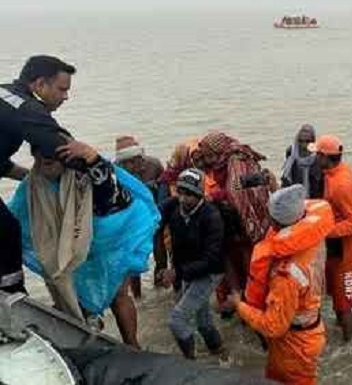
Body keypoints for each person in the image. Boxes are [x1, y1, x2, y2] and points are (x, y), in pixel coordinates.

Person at [10, 141, 156, 348]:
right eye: (38, 158)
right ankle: (89, 333)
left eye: (49, 160)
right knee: (73, 294)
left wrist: (92, 157)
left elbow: (111, 199)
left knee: (119, 295)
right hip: (70, 247)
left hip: (111, 241)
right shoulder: (34, 183)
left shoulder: (87, 173)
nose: (43, 163)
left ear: (66, 158)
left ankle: (132, 346)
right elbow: (15, 216)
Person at [228, 185, 334, 385]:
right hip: (309, 329)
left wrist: (239, 305)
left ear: (275, 223)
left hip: (294, 346)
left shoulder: (286, 274)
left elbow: (273, 326)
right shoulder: (313, 238)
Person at [0, 55, 79, 295]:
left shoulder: (4, 94)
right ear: (40, 84)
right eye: (61, 89)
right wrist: (98, 169)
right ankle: (13, 295)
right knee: (7, 230)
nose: (65, 97)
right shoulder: (27, 108)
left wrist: (30, 180)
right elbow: (61, 147)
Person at [195, 132, 272, 313]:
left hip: (245, 221)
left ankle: (253, 299)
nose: (208, 160)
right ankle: (239, 297)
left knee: (249, 260)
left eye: (210, 156)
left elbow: (238, 189)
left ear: (220, 151)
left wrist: (214, 196)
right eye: (206, 156)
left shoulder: (238, 161)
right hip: (226, 220)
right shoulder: (216, 165)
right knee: (229, 258)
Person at [159, 168, 228, 361]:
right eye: (180, 192)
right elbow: (152, 220)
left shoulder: (211, 217)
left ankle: (190, 363)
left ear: (199, 195)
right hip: (187, 269)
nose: (183, 198)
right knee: (203, 321)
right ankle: (221, 353)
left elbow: (211, 259)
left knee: (177, 320)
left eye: (189, 194)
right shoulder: (172, 206)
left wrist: (177, 272)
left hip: (210, 272)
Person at [309, 135, 352, 343]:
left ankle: (349, 347)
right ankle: (342, 332)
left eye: (317, 154)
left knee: (344, 306)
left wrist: (324, 230)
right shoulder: (334, 172)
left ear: (325, 157)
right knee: (336, 298)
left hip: (347, 253)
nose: (315, 157)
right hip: (335, 248)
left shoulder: (341, 184)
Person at [115, 135, 164, 299]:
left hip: (154, 216)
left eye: (135, 160)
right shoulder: (116, 172)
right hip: (130, 221)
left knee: (159, 251)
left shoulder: (154, 165)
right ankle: (137, 296)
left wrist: (159, 219)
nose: (133, 165)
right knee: (132, 259)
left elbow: (164, 194)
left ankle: (160, 288)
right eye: (126, 162)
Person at [281, 124, 324, 199]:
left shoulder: (319, 158)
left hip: (314, 200)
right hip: (295, 200)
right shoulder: (291, 155)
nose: (304, 145)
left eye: (308, 141)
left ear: (313, 142)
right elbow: (287, 179)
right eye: (300, 141)